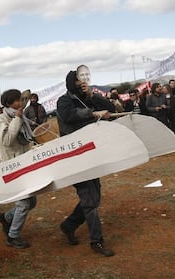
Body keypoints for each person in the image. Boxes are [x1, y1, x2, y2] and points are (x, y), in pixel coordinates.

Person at [56, 67, 115, 257]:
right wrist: (93, 113)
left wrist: (92, 95)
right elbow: (69, 116)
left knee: (94, 196)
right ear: (71, 83)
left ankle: (69, 225)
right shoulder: (64, 101)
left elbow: (110, 108)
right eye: (78, 81)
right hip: (74, 157)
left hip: (90, 154)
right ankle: (96, 241)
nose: (82, 83)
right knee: (90, 200)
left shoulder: (86, 98)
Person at [0, 89, 37, 249]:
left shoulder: (20, 117)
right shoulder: (1, 119)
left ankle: (6, 218)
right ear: (8, 103)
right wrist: (17, 119)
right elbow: (7, 140)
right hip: (13, 167)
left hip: (25, 163)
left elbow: (27, 139)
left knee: (31, 201)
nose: (20, 103)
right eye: (17, 100)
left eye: (20, 99)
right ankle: (13, 236)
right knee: (24, 202)